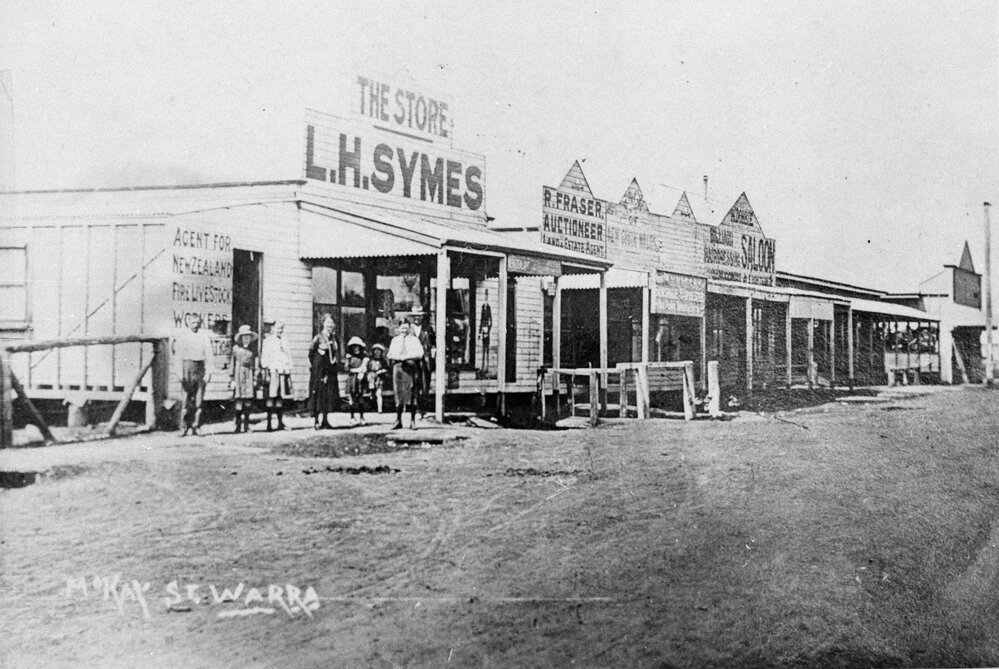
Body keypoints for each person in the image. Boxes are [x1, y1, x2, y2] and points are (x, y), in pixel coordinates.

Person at [173, 315, 215, 436]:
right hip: (187, 368)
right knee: (186, 399)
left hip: (200, 368)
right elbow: (178, 356)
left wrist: (208, 372)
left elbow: (209, 355)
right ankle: (184, 427)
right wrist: (180, 373)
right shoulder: (183, 337)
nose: (195, 324)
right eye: (193, 322)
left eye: (197, 322)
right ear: (188, 323)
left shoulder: (204, 337)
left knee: (198, 399)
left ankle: (197, 426)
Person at [387, 320, 425, 430]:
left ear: (409, 328)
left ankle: (412, 422)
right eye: (402, 328)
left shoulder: (414, 340)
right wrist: (398, 357)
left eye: (406, 328)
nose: (404, 330)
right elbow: (390, 354)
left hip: (410, 367)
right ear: (399, 329)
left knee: (411, 394)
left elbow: (420, 353)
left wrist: (408, 356)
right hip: (398, 367)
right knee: (398, 394)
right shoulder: (395, 340)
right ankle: (398, 420)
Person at [308, 314, 341, 429]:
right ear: (323, 323)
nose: (330, 325)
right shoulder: (318, 337)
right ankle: (316, 420)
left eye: (332, 323)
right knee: (318, 394)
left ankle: (325, 420)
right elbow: (311, 353)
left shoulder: (334, 338)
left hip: (330, 370)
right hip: (319, 370)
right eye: (328, 322)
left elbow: (336, 352)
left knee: (328, 395)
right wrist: (317, 365)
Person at [260, 320, 294, 431]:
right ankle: (269, 424)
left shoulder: (285, 341)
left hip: (282, 371)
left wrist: (288, 368)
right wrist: (266, 370)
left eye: (281, 328)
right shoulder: (268, 341)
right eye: (278, 328)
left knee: (280, 396)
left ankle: (280, 423)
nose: (280, 330)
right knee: (271, 396)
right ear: (272, 329)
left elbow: (288, 356)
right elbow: (264, 357)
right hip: (272, 371)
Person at [229, 325, 258, 433]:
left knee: (248, 400)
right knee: (239, 400)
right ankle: (238, 425)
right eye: (244, 337)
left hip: (249, 375)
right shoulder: (235, 349)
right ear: (240, 338)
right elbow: (232, 363)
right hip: (238, 374)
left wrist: (255, 378)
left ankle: (246, 425)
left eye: (248, 337)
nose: (246, 339)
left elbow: (255, 365)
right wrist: (232, 379)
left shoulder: (253, 350)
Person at [345, 336, 370, 425]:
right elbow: (347, 368)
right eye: (354, 346)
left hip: (360, 379)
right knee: (351, 398)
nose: (356, 348)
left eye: (357, 346)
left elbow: (365, 368)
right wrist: (357, 370)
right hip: (352, 379)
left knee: (360, 398)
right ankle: (352, 417)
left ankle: (362, 417)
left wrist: (361, 370)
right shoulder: (349, 357)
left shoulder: (364, 357)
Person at [367, 343, 389, 413]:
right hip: (371, 378)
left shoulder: (383, 361)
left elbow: (386, 369)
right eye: (375, 350)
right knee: (372, 394)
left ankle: (380, 409)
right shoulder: (371, 360)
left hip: (380, 378)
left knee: (379, 393)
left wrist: (381, 371)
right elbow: (367, 369)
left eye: (379, 350)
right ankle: (372, 407)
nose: (377, 352)